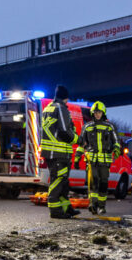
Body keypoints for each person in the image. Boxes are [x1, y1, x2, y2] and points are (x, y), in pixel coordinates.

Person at [40, 85, 79, 218]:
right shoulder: (61, 108)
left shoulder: (48, 108)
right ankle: (56, 211)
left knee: (63, 180)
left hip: (52, 152)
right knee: (58, 180)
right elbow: (64, 131)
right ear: (65, 98)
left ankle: (66, 207)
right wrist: (77, 139)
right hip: (59, 153)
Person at [78, 101, 121, 215]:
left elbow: (116, 142)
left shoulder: (110, 127)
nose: (97, 114)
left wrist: (116, 149)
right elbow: (81, 143)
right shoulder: (87, 127)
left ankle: (102, 206)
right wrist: (78, 156)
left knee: (103, 183)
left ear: (103, 113)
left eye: (99, 112)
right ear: (93, 113)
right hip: (92, 161)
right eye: (96, 112)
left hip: (105, 161)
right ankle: (93, 204)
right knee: (93, 183)